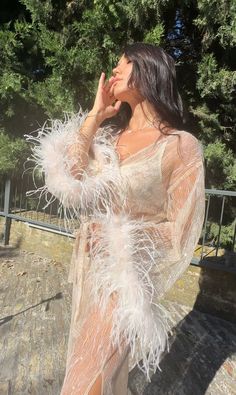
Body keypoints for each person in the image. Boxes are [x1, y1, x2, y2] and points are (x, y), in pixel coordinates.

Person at [27, 43, 205, 394]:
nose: (115, 71)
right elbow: (71, 178)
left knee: (85, 381)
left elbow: (181, 231)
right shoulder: (109, 137)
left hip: (127, 280)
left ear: (149, 70)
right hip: (89, 269)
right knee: (91, 368)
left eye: (125, 64)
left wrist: (124, 238)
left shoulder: (181, 146)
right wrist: (95, 116)